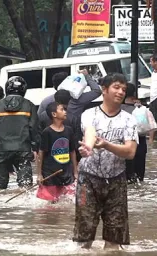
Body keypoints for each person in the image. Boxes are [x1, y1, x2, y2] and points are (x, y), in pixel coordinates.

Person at [73, 73, 138, 250]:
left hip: (116, 180)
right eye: (116, 87)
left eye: (123, 89)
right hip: (88, 180)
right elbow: (90, 132)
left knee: (114, 240)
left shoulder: (128, 119)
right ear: (104, 89)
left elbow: (130, 152)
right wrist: (88, 146)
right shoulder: (89, 114)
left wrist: (107, 145)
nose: (121, 92)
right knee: (84, 238)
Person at [0, 76, 39, 189]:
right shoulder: (29, 105)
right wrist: (35, 148)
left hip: (2, 149)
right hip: (23, 149)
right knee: (25, 185)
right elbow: (34, 128)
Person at [36, 102, 78, 202]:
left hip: (66, 172)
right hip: (50, 172)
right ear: (54, 114)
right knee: (50, 204)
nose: (65, 112)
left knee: (69, 201)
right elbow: (41, 154)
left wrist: (75, 172)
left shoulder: (69, 130)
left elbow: (72, 152)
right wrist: (39, 174)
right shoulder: (47, 132)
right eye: (62, 109)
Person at [121, 82, 147, 184]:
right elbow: (147, 128)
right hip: (141, 143)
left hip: (125, 145)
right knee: (140, 178)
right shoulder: (141, 109)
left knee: (128, 179)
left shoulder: (119, 110)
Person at [148, 54, 157, 144]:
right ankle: (151, 143)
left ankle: (151, 142)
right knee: (152, 120)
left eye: (151, 61)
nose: (150, 63)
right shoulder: (153, 72)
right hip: (153, 98)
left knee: (153, 121)